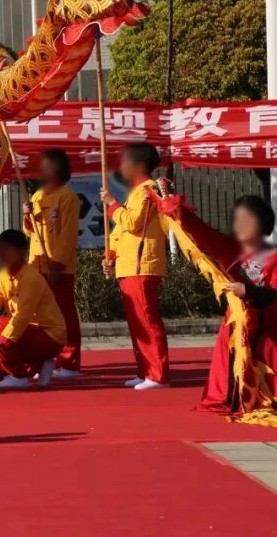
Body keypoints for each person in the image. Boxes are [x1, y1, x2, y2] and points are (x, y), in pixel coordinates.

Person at [152, 188, 277, 416]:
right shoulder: (228, 247)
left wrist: (247, 290)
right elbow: (200, 232)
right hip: (234, 327)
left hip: (265, 329)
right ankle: (231, 398)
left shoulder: (273, 257)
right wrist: (173, 205)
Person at [100, 142, 170, 390]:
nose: (122, 166)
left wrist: (112, 204)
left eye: (126, 161)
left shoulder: (147, 191)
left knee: (148, 321)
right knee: (137, 323)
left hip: (143, 265)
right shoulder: (135, 192)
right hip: (129, 266)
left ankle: (158, 374)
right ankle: (145, 370)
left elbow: (133, 222)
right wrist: (111, 254)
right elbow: (120, 231)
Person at [0, 229, 66, 390]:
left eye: (6, 250)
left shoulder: (30, 276)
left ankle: (19, 376)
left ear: (21, 252)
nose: (1, 255)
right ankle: (40, 363)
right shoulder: (4, 274)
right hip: (24, 333)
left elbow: (23, 316)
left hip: (47, 335)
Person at [23, 148, 82, 378]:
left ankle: (69, 362)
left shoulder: (68, 197)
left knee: (64, 314)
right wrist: (27, 216)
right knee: (39, 317)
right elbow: (30, 232)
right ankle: (43, 362)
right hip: (37, 266)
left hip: (59, 269)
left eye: (46, 165)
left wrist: (56, 265)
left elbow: (68, 235)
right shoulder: (37, 197)